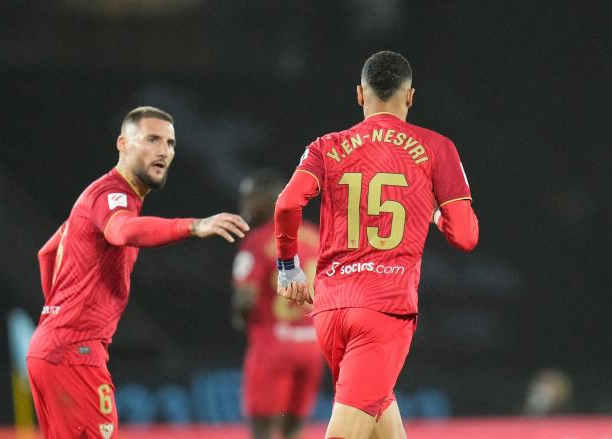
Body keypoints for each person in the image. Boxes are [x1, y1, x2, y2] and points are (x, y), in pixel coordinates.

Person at [274, 51, 479, 439]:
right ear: (410, 97)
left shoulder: (326, 146)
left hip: (330, 309)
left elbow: (286, 203)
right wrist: (435, 213)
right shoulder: (436, 148)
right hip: (383, 312)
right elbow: (465, 236)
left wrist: (289, 266)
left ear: (359, 95)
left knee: (382, 425)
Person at [26, 106, 249, 439]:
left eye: (170, 143)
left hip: (51, 349)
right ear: (123, 144)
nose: (163, 151)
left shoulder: (95, 197)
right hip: (76, 353)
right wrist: (194, 226)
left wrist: (56, 317)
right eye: (152, 139)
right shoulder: (111, 195)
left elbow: (47, 253)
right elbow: (123, 232)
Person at [231, 169, 324, 439]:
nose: (245, 205)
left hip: (273, 345)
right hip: (311, 345)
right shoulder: (313, 236)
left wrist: (241, 319)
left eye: (250, 199)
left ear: (270, 200)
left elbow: (245, 300)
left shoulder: (258, 241)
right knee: (295, 427)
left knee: (263, 429)